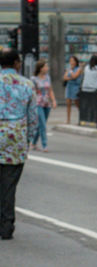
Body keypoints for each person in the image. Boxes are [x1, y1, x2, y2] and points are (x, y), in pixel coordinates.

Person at [0, 48, 37, 240]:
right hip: (15, 135)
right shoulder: (27, 84)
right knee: (9, 183)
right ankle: (6, 225)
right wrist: (29, 138)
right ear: (16, 63)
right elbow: (32, 116)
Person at [31, 59, 57, 152]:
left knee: (41, 125)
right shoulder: (34, 79)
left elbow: (50, 90)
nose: (47, 68)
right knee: (42, 124)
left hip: (46, 103)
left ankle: (33, 143)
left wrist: (53, 100)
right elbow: (32, 92)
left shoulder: (47, 77)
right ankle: (44, 145)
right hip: (38, 103)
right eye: (45, 66)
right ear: (40, 68)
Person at [63, 56, 82, 124]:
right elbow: (64, 78)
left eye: (73, 61)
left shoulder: (78, 69)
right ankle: (68, 119)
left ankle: (81, 117)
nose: (71, 62)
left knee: (77, 103)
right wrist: (70, 77)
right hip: (69, 87)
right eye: (70, 61)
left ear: (76, 62)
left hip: (75, 87)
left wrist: (70, 75)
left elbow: (74, 76)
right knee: (68, 103)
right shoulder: (69, 68)